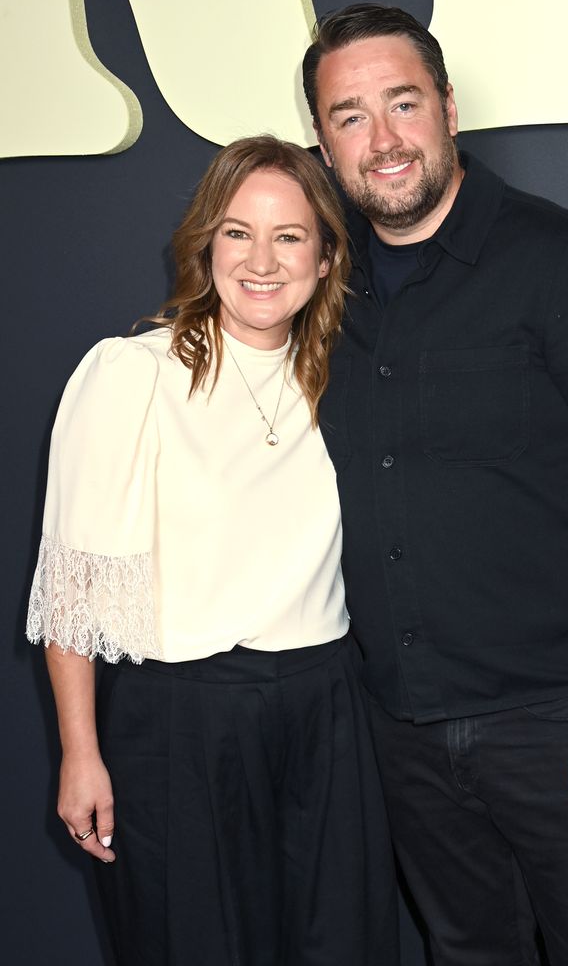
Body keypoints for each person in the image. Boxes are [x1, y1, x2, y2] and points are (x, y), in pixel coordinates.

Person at [301, 4, 568, 966]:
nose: (383, 139)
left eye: (402, 103)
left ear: (448, 108)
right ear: (322, 140)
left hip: (560, 723)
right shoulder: (319, 286)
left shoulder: (560, 260)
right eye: (350, 116)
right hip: (399, 723)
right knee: (466, 953)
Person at [27, 135, 399, 966]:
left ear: (326, 253)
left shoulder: (345, 374)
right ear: (205, 244)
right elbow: (74, 598)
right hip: (179, 719)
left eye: (289, 235)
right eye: (237, 232)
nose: (261, 260)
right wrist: (80, 754)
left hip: (327, 710)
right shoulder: (133, 373)